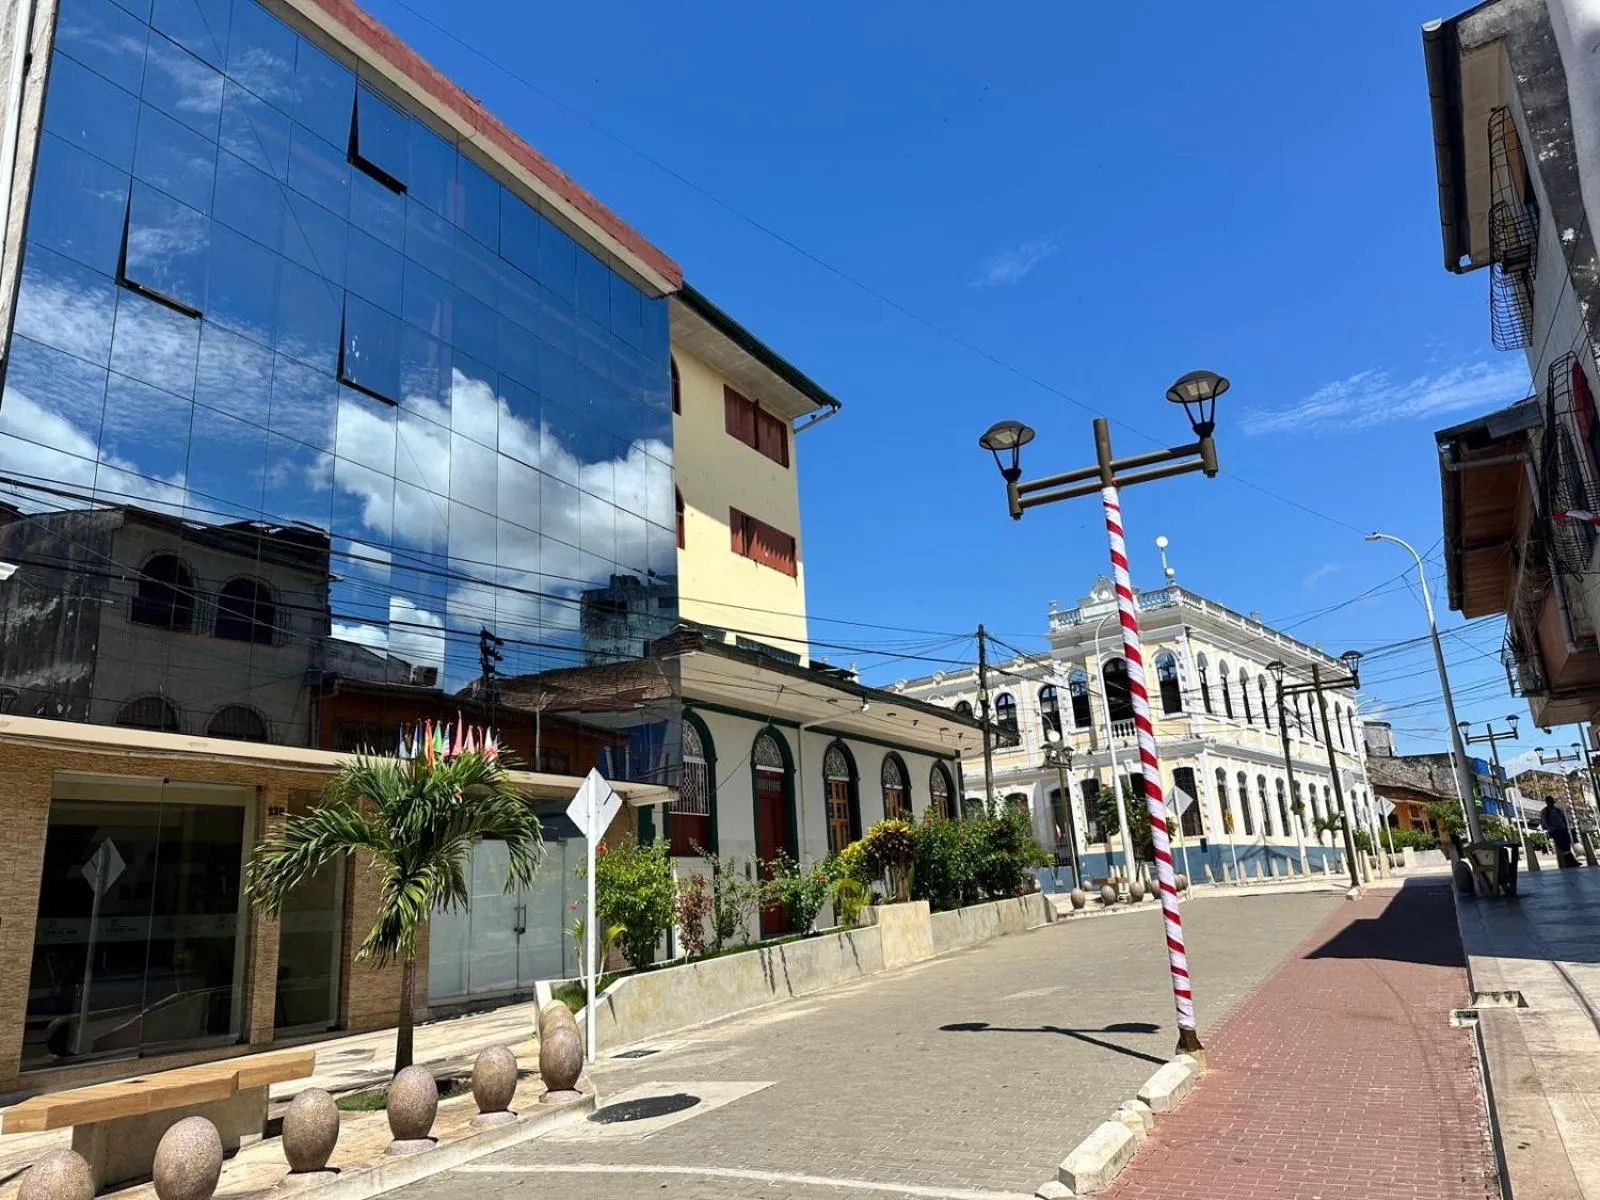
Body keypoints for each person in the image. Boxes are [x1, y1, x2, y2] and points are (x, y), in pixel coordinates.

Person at [1540, 795, 1579, 868]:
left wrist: (1566, 827)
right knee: (1563, 846)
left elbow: (1563, 818)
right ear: (1547, 802)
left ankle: (1571, 861)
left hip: (1562, 829)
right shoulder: (1545, 811)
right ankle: (1570, 862)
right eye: (1550, 801)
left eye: (1552, 801)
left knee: (1567, 845)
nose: (1552, 802)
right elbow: (1544, 821)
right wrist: (1550, 829)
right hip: (1555, 831)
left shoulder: (1558, 810)